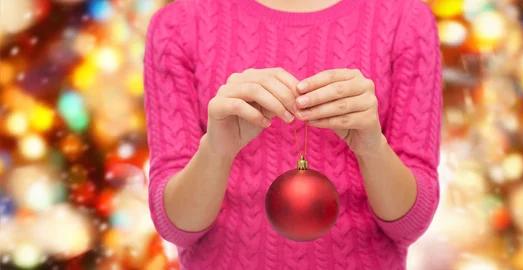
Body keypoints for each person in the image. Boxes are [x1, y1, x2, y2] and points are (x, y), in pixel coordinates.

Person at [143, 0, 441, 268]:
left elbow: (411, 224)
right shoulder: (178, 24)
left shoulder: (405, 18)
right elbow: (176, 226)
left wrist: (373, 148)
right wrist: (216, 152)